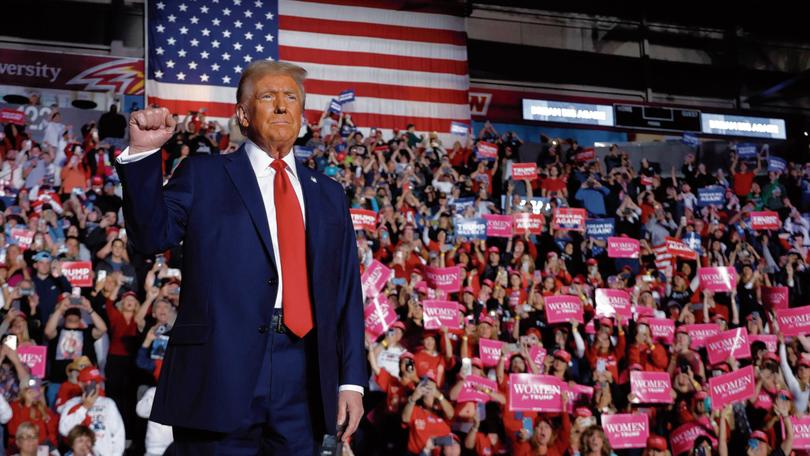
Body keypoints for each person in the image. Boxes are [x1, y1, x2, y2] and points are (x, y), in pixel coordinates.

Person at [116, 60, 365, 453]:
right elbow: (149, 237)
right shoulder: (203, 174)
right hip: (220, 369)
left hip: (303, 375)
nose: (283, 106)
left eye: (292, 98)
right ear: (242, 115)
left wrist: (351, 380)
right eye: (268, 96)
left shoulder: (329, 193)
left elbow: (348, 292)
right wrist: (144, 156)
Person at [59, 366, 125, 456]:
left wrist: (116, 454)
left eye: (98, 382)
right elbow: (64, 430)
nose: (96, 386)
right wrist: (84, 407)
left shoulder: (108, 403)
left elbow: (119, 434)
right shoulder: (72, 403)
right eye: (92, 383)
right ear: (81, 384)